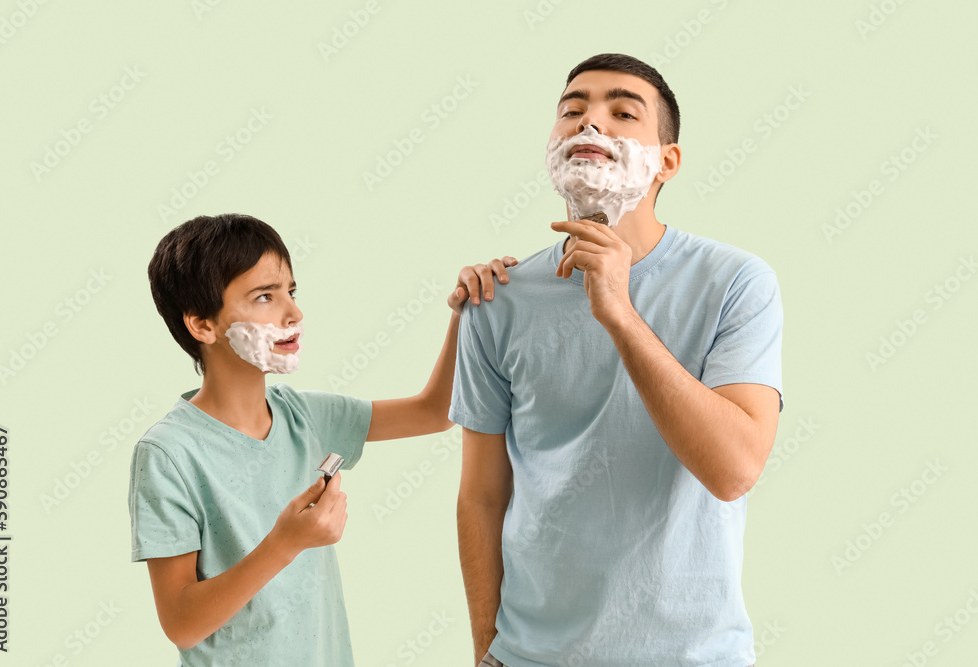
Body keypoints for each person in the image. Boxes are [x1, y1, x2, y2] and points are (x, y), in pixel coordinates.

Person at [451, 53, 783, 667]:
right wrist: (485, 649)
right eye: (571, 111)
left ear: (667, 161)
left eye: (622, 111)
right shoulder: (496, 299)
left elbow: (735, 469)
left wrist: (620, 313)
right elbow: (482, 496)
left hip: (693, 656)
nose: (589, 124)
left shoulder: (737, 282)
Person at [128, 213, 513, 666]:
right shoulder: (169, 454)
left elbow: (432, 412)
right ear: (203, 326)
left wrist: (466, 311)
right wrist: (285, 544)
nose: (294, 313)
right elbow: (182, 623)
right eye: (265, 297)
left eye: (291, 291)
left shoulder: (302, 416)